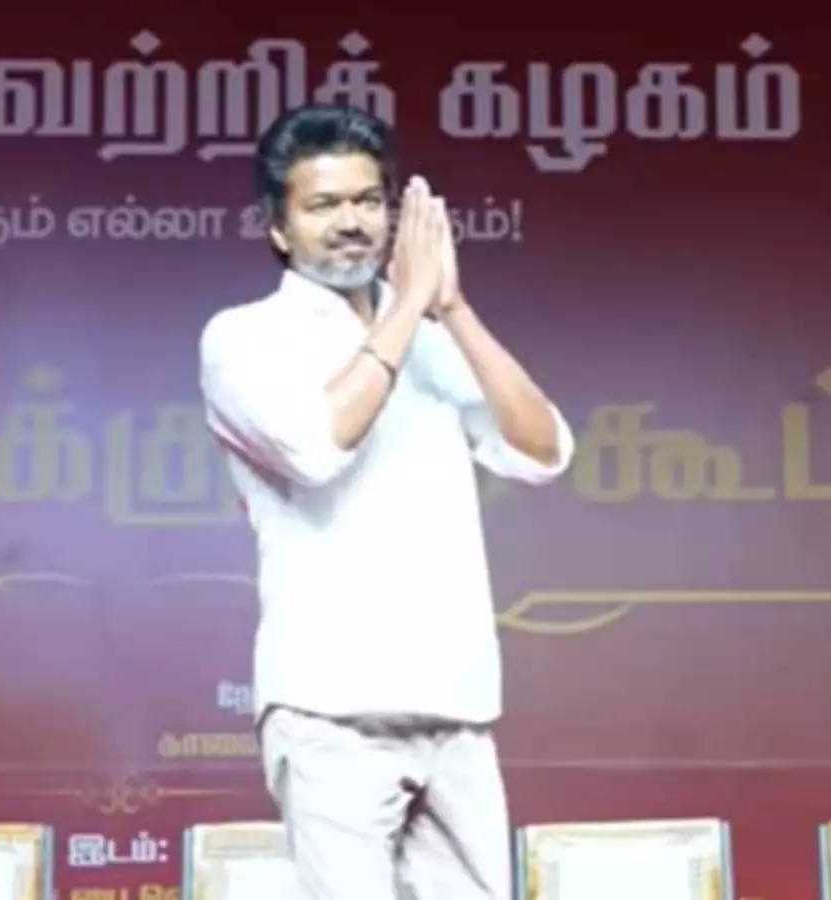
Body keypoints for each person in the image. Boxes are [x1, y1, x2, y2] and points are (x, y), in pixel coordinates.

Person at [198, 104, 575, 899]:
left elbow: (544, 453)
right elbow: (315, 448)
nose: (352, 223)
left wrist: (453, 310)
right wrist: (408, 306)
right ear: (279, 229)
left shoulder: (435, 340)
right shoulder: (244, 337)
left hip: (456, 703)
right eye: (324, 205)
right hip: (330, 708)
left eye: (369, 201)